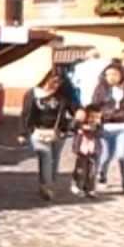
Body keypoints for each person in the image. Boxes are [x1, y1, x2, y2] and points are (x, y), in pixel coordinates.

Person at [19, 69, 78, 201]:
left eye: (59, 82)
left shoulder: (62, 96)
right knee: (45, 156)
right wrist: (23, 132)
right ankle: (47, 186)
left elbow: (73, 110)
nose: (56, 84)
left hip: (58, 132)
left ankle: (47, 185)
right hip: (38, 131)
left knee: (54, 159)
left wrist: (78, 115)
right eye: (54, 81)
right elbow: (26, 114)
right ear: (46, 79)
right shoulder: (33, 94)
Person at [92, 63, 124, 194]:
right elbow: (94, 107)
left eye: (114, 74)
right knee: (105, 156)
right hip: (106, 128)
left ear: (121, 75)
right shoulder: (100, 89)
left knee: (122, 155)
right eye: (108, 74)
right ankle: (102, 176)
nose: (111, 77)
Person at [71, 104, 103, 198]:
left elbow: (100, 133)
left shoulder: (98, 126)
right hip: (81, 150)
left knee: (92, 171)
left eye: (97, 117)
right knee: (80, 169)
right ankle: (77, 186)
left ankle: (90, 189)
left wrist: (95, 128)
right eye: (92, 117)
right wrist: (77, 120)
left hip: (93, 150)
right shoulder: (80, 124)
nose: (94, 119)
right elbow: (72, 127)